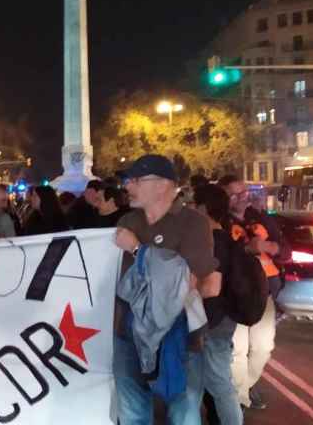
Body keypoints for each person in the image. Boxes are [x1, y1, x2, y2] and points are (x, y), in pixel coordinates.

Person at [113, 154, 221, 425]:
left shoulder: (193, 223)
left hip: (178, 334)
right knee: (132, 412)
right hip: (128, 334)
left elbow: (186, 283)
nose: (128, 186)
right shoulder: (128, 221)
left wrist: (139, 251)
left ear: (162, 185)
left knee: (183, 412)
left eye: (135, 180)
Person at [218, 175, 281, 411]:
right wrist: (245, 248)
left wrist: (272, 247)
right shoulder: (221, 221)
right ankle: (239, 401)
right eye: (234, 194)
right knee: (238, 351)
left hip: (263, 292)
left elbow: (283, 248)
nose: (242, 198)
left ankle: (243, 390)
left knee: (264, 347)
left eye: (243, 192)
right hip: (235, 292)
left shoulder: (259, 217)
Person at [192, 184, 244, 425]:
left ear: (203, 208)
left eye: (193, 204)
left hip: (212, 321)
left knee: (220, 385)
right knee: (201, 384)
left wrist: (181, 293)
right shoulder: (225, 238)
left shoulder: (212, 242)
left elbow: (211, 287)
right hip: (219, 319)